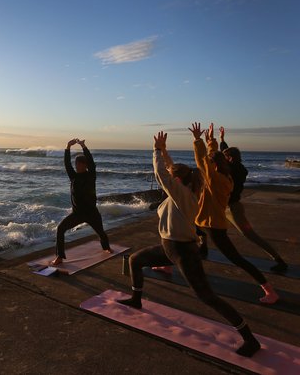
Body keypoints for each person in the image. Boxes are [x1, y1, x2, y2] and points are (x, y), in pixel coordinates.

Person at [117, 131, 260, 357]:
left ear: (178, 180)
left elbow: (161, 174)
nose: (171, 177)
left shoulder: (184, 195)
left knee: (207, 296)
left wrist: (155, 151)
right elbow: (172, 170)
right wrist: (164, 151)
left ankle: (250, 339)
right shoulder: (186, 189)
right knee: (136, 259)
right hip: (169, 248)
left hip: (183, 252)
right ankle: (136, 299)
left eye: (174, 177)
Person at [190, 122, 278, 304]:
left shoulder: (216, 180)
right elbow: (210, 157)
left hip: (213, 225)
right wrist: (212, 140)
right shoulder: (224, 175)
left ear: (215, 166)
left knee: (236, 258)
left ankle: (269, 290)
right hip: (204, 221)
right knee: (185, 239)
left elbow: (202, 160)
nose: (209, 164)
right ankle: (174, 263)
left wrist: (198, 140)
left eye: (211, 163)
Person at [219, 126, 288, 272]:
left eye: (225, 158)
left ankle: (279, 260)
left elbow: (223, 162)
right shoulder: (237, 166)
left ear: (230, 159)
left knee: (249, 234)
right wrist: (222, 139)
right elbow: (225, 154)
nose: (223, 161)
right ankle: (202, 246)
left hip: (232, 208)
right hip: (224, 206)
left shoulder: (235, 171)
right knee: (201, 224)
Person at [51, 138, 111, 266]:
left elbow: (91, 161)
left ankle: (107, 248)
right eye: (76, 163)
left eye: (79, 164)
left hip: (91, 213)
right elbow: (67, 164)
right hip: (77, 214)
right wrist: (67, 147)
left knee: (101, 233)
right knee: (60, 229)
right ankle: (60, 257)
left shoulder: (91, 175)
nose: (77, 166)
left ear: (85, 165)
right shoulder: (73, 176)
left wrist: (84, 146)